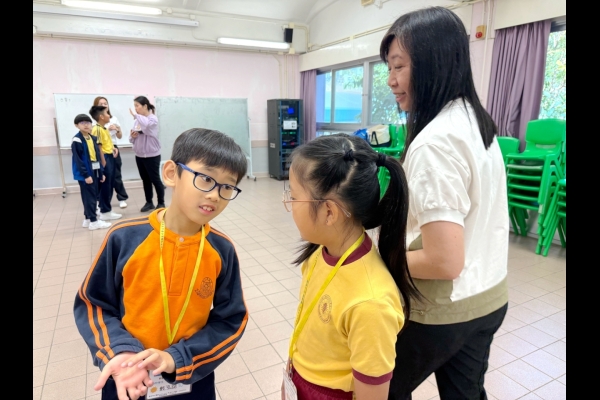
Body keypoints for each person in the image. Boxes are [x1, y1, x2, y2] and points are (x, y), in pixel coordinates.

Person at [380, 7, 509, 399]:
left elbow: (443, 261)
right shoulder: (475, 121)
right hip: (488, 296)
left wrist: (377, 259)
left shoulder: (435, 143)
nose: (391, 80)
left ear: (432, 63)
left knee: (376, 390)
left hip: (443, 311)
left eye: (399, 67)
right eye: (389, 68)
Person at [74, 128, 249, 400]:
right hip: (129, 375)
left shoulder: (221, 249)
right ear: (170, 173)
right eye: (206, 178)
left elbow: (231, 319)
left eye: (227, 186)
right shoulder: (124, 237)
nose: (215, 195)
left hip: (190, 376)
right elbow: (93, 303)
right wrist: (119, 350)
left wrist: (178, 358)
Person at [281, 134, 421, 400]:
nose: (289, 204)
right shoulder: (320, 252)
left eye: (294, 197)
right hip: (302, 380)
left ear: (329, 212)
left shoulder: (371, 303)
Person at [71, 114, 111, 231]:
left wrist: (101, 173)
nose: (86, 125)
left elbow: (97, 157)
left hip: (95, 170)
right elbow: (78, 160)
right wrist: (86, 175)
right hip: (85, 173)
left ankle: (88, 219)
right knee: (89, 197)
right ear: (76, 125)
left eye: (88, 122)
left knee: (91, 195)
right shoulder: (77, 140)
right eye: (82, 123)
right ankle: (94, 221)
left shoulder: (92, 138)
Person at [129, 96, 164, 212]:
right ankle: (149, 202)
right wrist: (132, 136)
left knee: (155, 179)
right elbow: (131, 139)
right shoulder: (137, 121)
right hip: (139, 156)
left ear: (145, 106)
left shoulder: (153, 119)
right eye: (134, 106)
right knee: (145, 180)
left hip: (152, 155)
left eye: (137, 106)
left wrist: (136, 116)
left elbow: (147, 126)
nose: (135, 108)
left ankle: (161, 203)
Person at [94, 96, 129, 209]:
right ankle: (101, 201)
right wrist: (106, 130)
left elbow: (120, 136)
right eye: (101, 104)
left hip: (113, 148)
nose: (104, 105)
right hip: (101, 149)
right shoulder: (95, 121)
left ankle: (121, 198)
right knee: (102, 176)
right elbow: (95, 138)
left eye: (105, 103)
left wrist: (117, 129)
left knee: (116, 174)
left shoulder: (113, 119)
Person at [90, 105, 123, 221]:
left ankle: (106, 208)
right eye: (107, 113)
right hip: (105, 159)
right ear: (101, 117)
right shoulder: (97, 129)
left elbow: (106, 143)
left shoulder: (104, 128)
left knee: (109, 184)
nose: (109, 115)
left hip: (109, 156)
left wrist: (113, 148)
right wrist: (103, 163)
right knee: (106, 185)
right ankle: (104, 211)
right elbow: (98, 147)